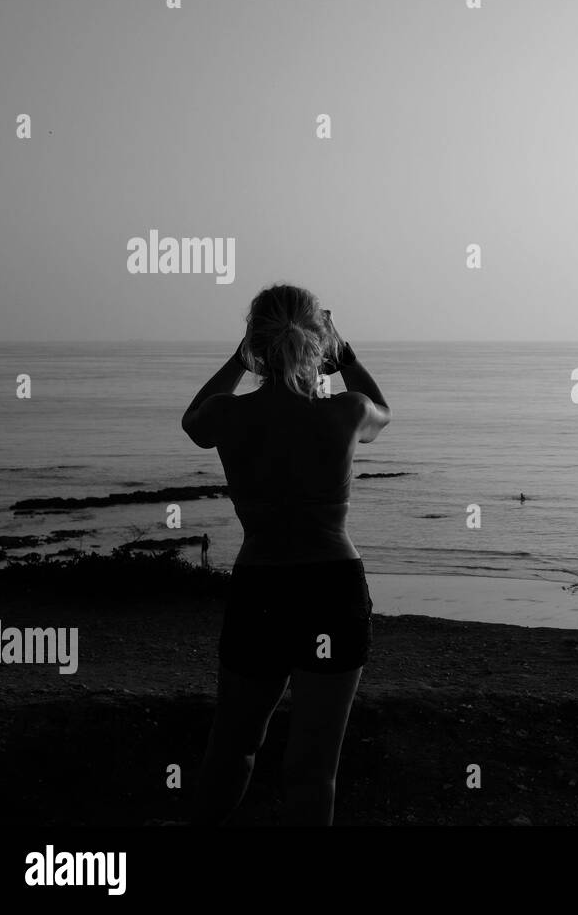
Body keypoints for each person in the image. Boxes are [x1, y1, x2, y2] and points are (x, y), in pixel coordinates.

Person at [180, 283, 392, 826]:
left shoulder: (228, 415)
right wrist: (344, 355)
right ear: (320, 341)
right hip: (331, 589)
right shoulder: (346, 412)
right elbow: (383, 412)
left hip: (263, 588)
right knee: (314, 766)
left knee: (234, 746)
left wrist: (239, 355)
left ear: (256, 342)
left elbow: (193, 421)